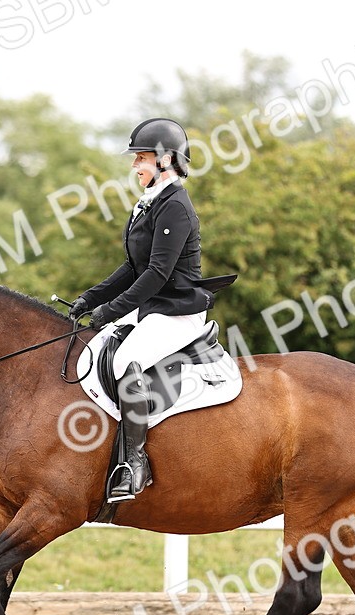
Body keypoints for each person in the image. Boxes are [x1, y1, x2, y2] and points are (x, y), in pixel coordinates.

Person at [68, 118, 218, 503]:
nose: (135, 166)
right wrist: (92, 298)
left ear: (166, 160)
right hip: (153, 309)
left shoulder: (176, 207)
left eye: (142, 159)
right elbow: (133, 267)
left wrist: (112, 310)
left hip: (176, 312)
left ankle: (135, 464)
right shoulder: (150, 202)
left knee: (125, 360)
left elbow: (157, 273)